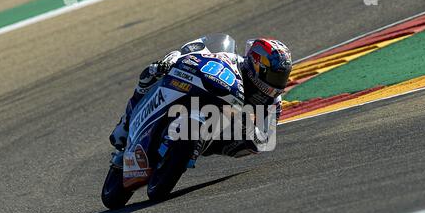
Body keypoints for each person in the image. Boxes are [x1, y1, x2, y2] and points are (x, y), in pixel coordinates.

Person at [110, 36, 292, 158]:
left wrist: (248, 127)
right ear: (256, 64)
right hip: (200, 95)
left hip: (223, 135)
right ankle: (126, 123)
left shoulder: (273, 102)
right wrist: (173, 59)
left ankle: (191, 147)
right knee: (151, 73)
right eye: (275, 76)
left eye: (282, 77)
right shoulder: (231, 60)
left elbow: (265, 140)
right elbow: (194, 49)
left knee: (243, 147)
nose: (278, 82)